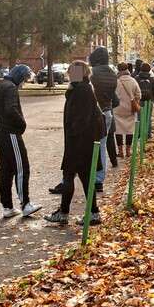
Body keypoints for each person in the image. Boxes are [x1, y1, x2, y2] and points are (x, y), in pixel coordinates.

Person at [44, 61, 106, 226]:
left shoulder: (83, 90)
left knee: (70, 176)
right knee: (84, 178)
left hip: (80, 142)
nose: (70, 75)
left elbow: (82, 118)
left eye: (72, 72)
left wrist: (72, 131)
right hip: (81, 142)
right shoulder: (80, 88)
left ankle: (66, 212)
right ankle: (91, 213)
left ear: (80, 72)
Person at [0, 64, 42, 219]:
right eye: (25, 79)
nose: (25, 82)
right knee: (22, 167)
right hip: (10, 132)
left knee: (6, 169)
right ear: (20, 76)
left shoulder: (2, 85)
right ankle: (25, 204)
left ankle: (7, 206)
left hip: (2, 131)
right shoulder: (10, 88)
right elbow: (11, 109)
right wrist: (22, 124)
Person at [87, 47, 118, 191]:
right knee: (102, 147)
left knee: (80, 146)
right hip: (107, 112)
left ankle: (67, 179)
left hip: (90, 113)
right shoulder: (113, 74)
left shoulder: (89, 72)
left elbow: (71, 91)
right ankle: (99, 180)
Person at [113, 62, 141, 159]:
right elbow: (138, 94)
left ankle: (120, 151)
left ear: (118, 70)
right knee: (130, 129)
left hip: (117, 109)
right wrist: (134, 101)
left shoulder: (115, 81)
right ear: (127, 69)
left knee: (118, 130)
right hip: (130, 108)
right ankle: (128, 151)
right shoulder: (133, 81)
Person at [134, 60, 154, 137]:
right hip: (149, 99)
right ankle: (148, 134)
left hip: (140, 100)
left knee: (139, 117)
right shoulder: (151, 78)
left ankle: (139, 134)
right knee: (148, 117)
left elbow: (135, 89)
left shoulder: (137, 78)